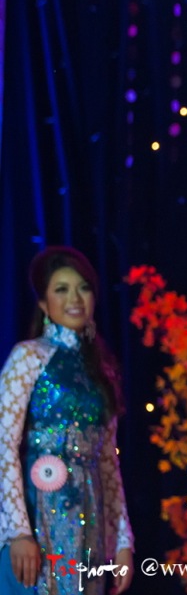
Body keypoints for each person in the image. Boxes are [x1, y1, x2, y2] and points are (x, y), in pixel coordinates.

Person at [0, 246, 134, 595]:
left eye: (83, 287)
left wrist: (121, 542)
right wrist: (18, 532)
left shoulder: (101, 370)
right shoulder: (29, 357)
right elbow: (3, 445)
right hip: (38, 514)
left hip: (90, 519)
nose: (75, 298)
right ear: (44, 303)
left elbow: (107, 462)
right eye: (61, 289)